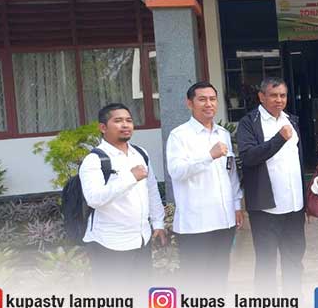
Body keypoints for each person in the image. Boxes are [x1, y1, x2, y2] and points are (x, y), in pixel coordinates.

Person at [166, 81, 244, 291]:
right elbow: (176, 171)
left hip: (224, 220)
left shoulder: (223, 134)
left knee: (219, 279)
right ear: (189, 103)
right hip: (196, 224)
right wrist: (208, 156)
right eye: (202, 99)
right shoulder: (179, 135)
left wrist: (237, 204)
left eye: (212, 99)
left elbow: (230, 172)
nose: (208, 104)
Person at [79, 103, 166, 290]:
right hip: (109, 243)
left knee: (141, 297)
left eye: (129, 120)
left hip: (141, 239)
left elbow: (151, 190)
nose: (125, 125)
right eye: (118, 121)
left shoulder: (140, 154)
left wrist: (158, 223)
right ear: (103, 127)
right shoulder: (95, 160)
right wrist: (130, 177)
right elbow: (94, 199)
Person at [237, 77, 305, 295]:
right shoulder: (249, 122)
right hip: (266, 208)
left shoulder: (291, 120)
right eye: (273, 95)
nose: (279, 100)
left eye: (282, 95)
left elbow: (297, 162)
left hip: (294, 206)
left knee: (294, 260)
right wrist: (279, 139)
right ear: (261, 97)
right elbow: (248, 157)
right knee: (266, 264)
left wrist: (305, 201)